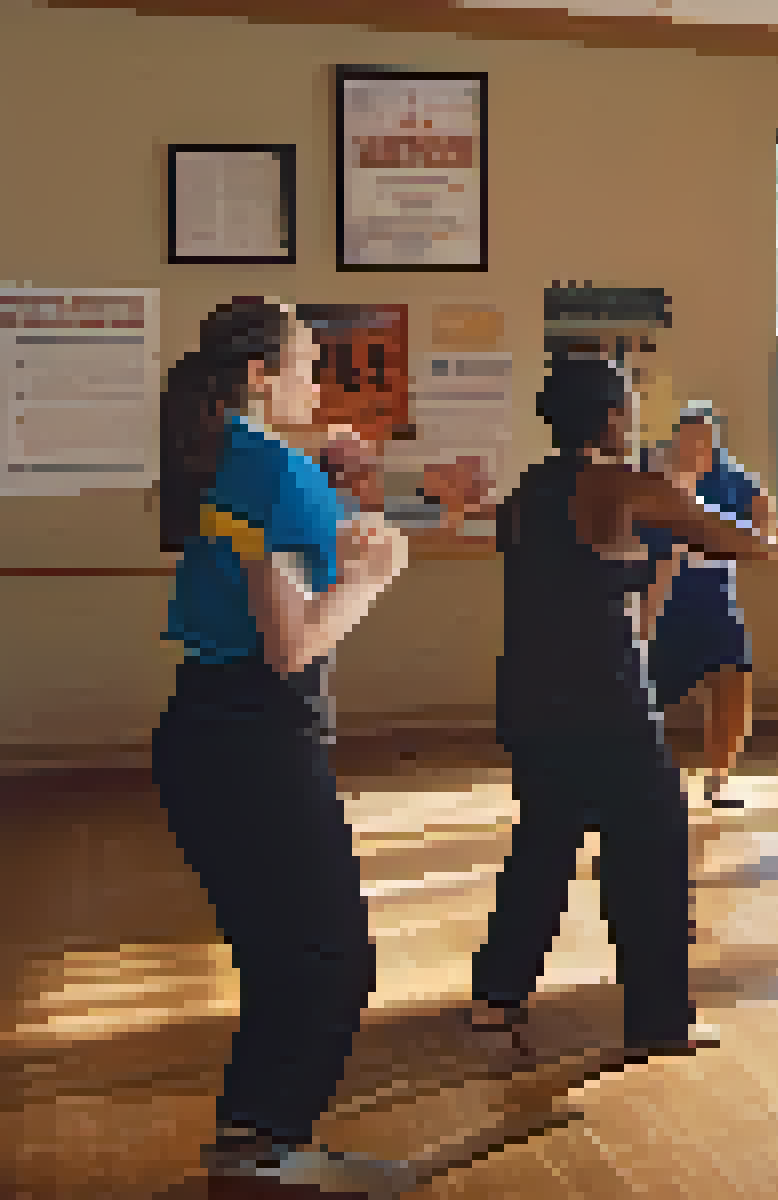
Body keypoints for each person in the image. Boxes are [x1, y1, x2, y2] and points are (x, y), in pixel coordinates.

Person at [468, 356, 778, 1059]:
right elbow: (718, 529)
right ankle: (658, 1019)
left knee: (544, 843)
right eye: (629, 409)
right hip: (603, 700)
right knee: (649, 855)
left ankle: (497, 997)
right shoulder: (616, 481)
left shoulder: (531, 489)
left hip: (529, 695)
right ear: (613, 415)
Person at [152, 298, 415, 1187]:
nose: (320, 383)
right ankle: (272, 1149)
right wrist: (377, 576)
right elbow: (293, 643)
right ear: (262, 377)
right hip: (259, 741)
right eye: (308, 365)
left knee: (276, 958)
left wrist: (333, 510)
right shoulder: (280, 469)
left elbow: (254, 567)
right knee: (336, 960)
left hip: (196, 735)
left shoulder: (213, 453)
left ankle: (251, 1143)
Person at [638, 408, 776, 809]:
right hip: (661, 598)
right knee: (646, 693)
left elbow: (761, 510)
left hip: (715, 598)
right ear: (677, 440)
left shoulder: (729, 477)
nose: (696, 448)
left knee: (734, 678)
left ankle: (719, 779)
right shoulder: (652, 471)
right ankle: (637, 780)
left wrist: (758, 537)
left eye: (705, 441)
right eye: (689, 440)